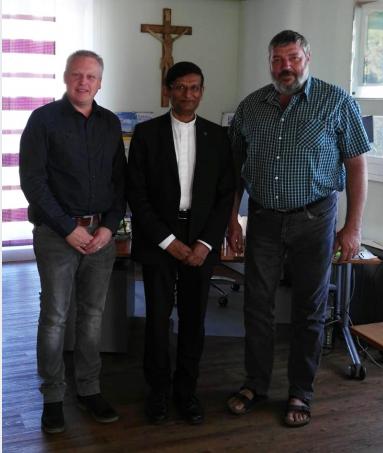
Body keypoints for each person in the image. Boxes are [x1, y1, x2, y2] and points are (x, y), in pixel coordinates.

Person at [225, 30, 370, 428]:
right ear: (269, 61)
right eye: (277, 59)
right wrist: (229, 220)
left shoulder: (337, 101)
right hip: (264, 219)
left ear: (307, 57)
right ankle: (255, 384)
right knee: (257, 305)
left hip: (315, 218)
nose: (284, 67)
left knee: (310, 309)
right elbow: (234, 169)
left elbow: (357, 165)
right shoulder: (252, 106)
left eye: (292, 58)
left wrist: (352, 227)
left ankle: (300, 392)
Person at [19, 50, 126, 434]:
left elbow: (120, 183)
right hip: (56, 236)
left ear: (100, 82)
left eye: (92, 76)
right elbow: (33, 182)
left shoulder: (110, 123)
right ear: (66, 77)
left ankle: (89, 389)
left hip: (100, 237)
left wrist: (108, 228)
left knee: (92, 317)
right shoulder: (43, 120)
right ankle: (52, 395)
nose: (84, 82)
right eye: (77, 75)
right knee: (55, 317)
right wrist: (68, 228)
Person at [127, 62, 234, 425]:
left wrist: (205, 243)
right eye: (181, 87)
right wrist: (168, 241)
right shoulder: (146, 134)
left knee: (193, 320)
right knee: (157, 320)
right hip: (159, 238)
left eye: (195, 88)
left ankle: (186, 392)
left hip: (200, 238)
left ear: (202, 91)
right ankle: (157, 392)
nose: (188, 94)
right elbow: (136, 194)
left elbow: (225, 196)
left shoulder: (218, 138)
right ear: (168, 90)